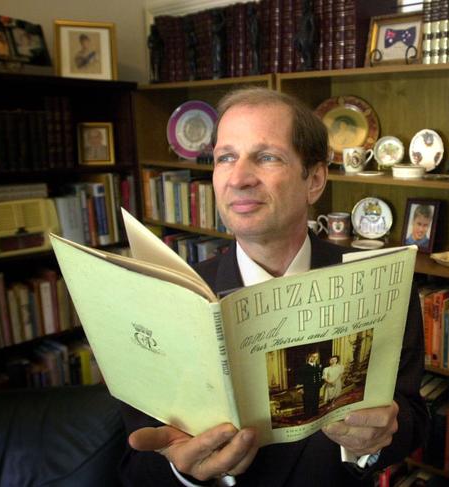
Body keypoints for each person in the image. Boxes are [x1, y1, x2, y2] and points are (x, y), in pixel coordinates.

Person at [119, 87, 426, 486]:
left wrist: (378, 440)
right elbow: (135, 466)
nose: (239, 178)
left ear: (314, 180)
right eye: (226, 157)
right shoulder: (162, 300)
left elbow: (416, 420)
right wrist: (184, 472)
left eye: (266, 157)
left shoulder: (384, 284)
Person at [299, 351, 323, 418]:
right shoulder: (304, 367)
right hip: (307, 388)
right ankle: (308, 416)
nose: (315, 358)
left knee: (315, 401)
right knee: (308, 402)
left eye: (316, 357)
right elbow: (300, 378)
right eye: (313, 356)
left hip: (316, 387)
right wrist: (301, 388)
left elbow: (320, 376)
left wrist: (320, 384)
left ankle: (315, 415)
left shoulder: (318, 366)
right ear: (310, 357)